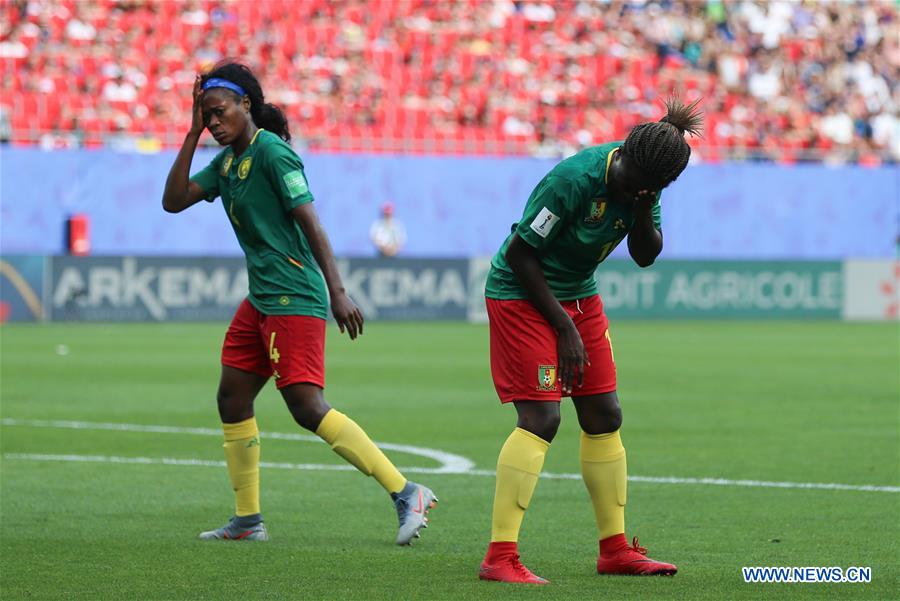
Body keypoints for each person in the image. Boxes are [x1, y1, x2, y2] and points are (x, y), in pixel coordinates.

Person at [161, 61, 436, 544]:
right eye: (207, 117)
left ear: (246, 105)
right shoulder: (225, 165)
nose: (214, 123)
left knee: (307, 407)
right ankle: (248, 521)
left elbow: (312, 223)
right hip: (261, 298)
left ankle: (405, 491)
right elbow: (174, 200)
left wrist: (337, 292)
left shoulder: (273, 153)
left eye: (219, 112)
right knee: (232, 396)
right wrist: (190, 134)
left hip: (294, 293)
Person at [479, 97, 703, 583]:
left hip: (579, 295)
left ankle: (615, 550)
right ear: (622, 152)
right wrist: (562, 327)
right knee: (542, 416)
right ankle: (500, 557)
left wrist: (644, 207)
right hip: (522, 295)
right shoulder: (573, 180)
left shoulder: (647, 184)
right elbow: (520, 254)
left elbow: (645, 255)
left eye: (645, 188)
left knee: (605, 414)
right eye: (628, 178)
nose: (630, 187)